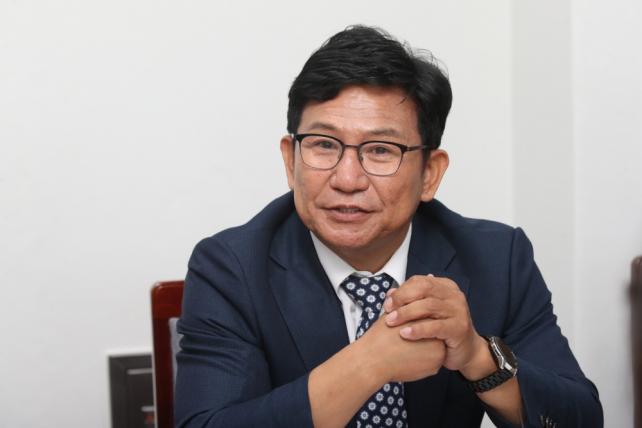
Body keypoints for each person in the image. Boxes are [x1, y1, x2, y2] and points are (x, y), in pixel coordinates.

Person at [174, 25, 602, 428]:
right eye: (324, 145)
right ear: (291, 160)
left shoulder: (496, 258)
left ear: (430, 173)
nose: (347, 179)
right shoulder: (231, 268)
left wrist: (477, 356)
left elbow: (580, 417)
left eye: (380, 150)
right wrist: (369, 363)